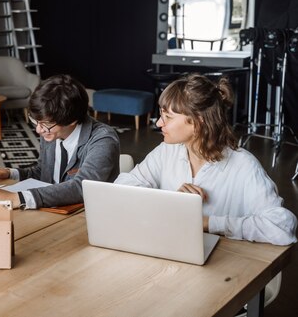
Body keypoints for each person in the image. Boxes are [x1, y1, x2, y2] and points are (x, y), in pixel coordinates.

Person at [115, 74, 297, 245]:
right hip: (170, 248)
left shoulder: (244, 165)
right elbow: (123, 187)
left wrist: (207, 223)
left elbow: (282, 226)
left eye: (167, 117)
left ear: (197, 121)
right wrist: (170, 201)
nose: (158, 123)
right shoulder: (166, 151)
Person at [0, 74, 120, 209]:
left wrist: (19, 198)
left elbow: (81, 188)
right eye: (35, 121)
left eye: (45, 125)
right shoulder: (50, 130)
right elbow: (43, 172)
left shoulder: (103, 140)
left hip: (86, 216)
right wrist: (11, 173)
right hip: (51, 210)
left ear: (72, 121)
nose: (38, 130)